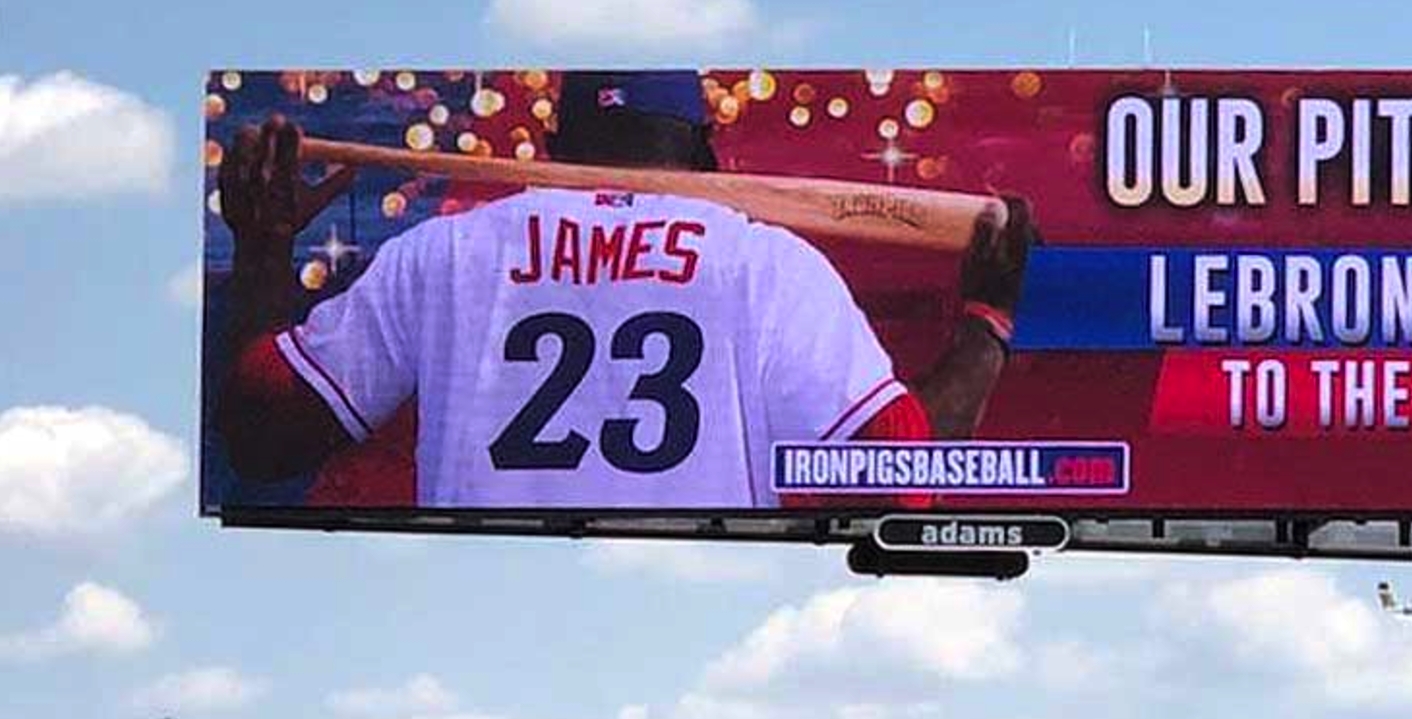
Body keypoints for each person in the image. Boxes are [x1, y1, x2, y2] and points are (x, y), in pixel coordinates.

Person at [214, 70, 1034, 508]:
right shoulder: (766, 265)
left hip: (470, 607)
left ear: (555, 141)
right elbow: (896, 472)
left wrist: (261, 251)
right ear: (707, 152)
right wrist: (986, 318)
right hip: (703, 611)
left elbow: (263, 441)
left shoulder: (444, 254)